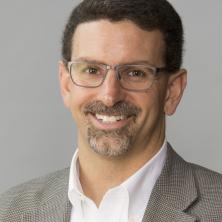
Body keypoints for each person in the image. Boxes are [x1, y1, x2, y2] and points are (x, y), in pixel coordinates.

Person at [1, 0, 222, 221]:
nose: (109, 96)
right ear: (66, 84)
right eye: (91, 70)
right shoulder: (9, 211)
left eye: (135, 73)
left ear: (172, 91)